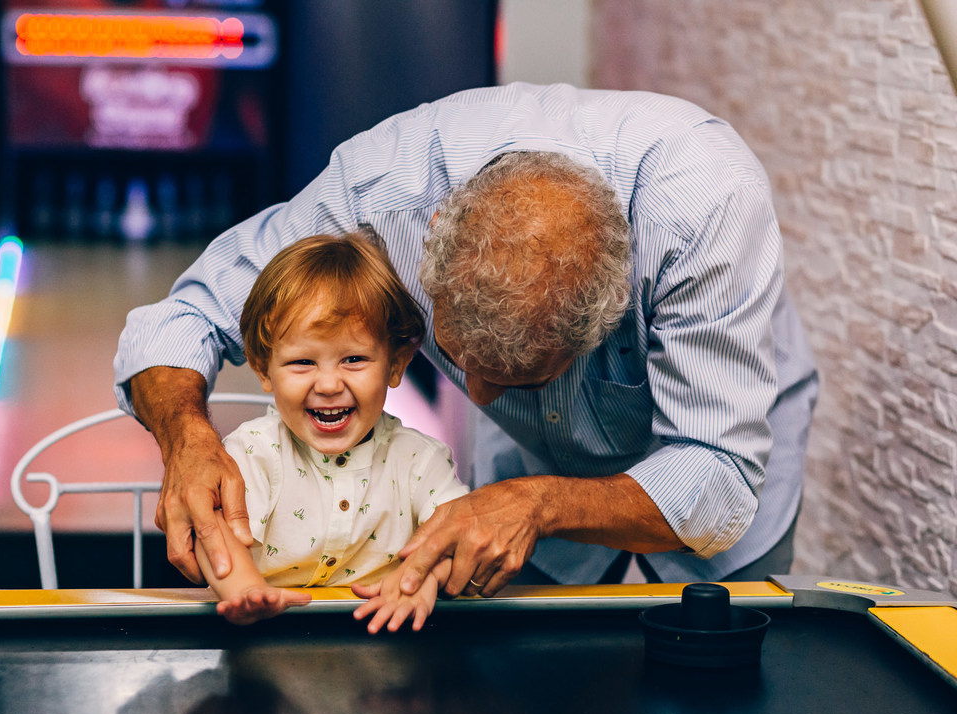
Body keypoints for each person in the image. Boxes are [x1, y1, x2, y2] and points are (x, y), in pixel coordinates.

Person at [114, 82, 818, 601]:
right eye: (456, 357)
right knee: (530, 699)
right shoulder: (383, 194)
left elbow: (718, 475)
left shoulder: (705, 208)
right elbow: (187, 314)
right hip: (531, 459)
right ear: (437, 233)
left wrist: (537, 505)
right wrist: (185, 437)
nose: (476, 396)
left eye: (518, 379)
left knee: (710, 706)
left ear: (615, 305)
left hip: (716, 447)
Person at [195, 231, 469, 629]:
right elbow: (215, 538)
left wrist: (421, 579)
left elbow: (457, 537)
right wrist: (246, 590)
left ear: (395, 365)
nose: (327, 384)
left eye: (354, 359)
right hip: (267, 640)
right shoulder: (252, 453)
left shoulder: (418, 460)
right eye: (302, 362)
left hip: (385, 649)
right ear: (262, 369)